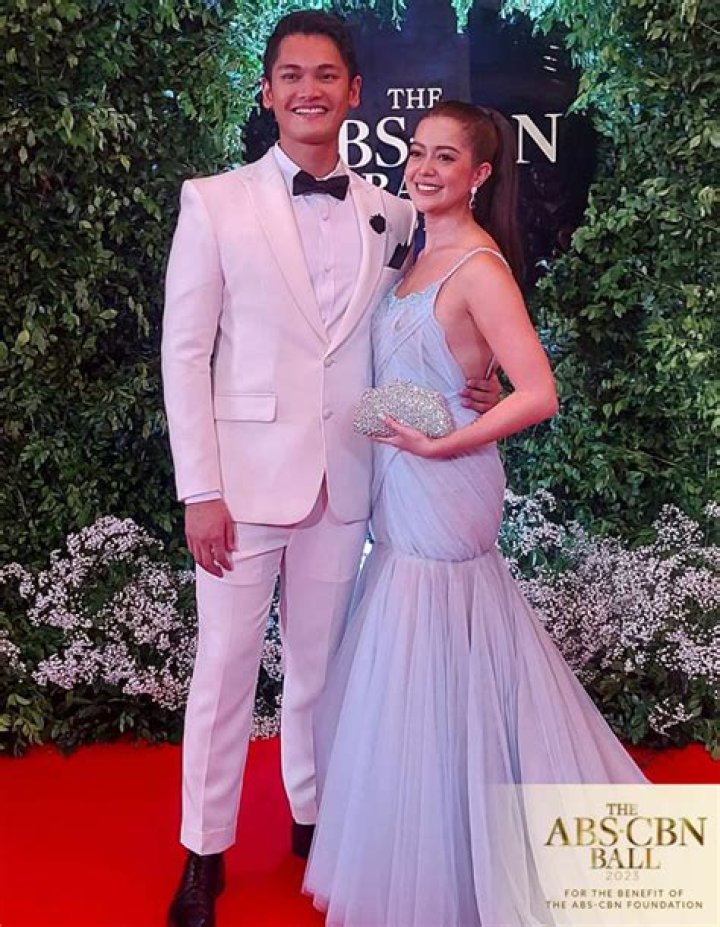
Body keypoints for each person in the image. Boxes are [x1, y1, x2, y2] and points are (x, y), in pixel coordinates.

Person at [161, 14, 499, 927]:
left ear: (354, 92)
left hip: (348, 479)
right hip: (241, 486)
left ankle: (316, 825)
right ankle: (203, 851)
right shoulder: (214, 202)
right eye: (291, 74)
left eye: (326, 75)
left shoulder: (394, 214)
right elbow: (184, 355)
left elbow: (426, 321)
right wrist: (201, 489)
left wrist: (478, 378)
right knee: (224, 671)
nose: (308, 89)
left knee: (321, 670)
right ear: (268, 91)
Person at [303, 101, 647, 927]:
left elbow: (540, 393)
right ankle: (439, 840)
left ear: (480, 173)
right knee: (424, 655)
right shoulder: (417, 249)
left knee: (437, 643)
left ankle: (463, 862)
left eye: (445, 158)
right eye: (418, 152)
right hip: (402, 482)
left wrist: (441, 444)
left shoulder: (480, 267)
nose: (423, 169)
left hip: (447, 484)